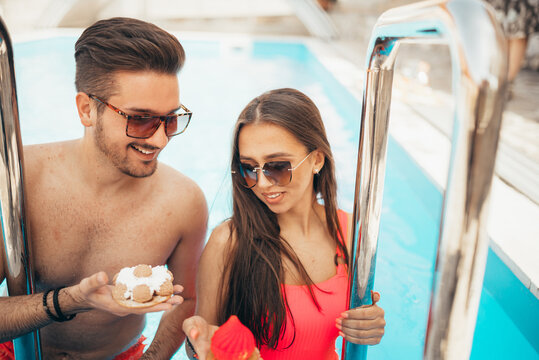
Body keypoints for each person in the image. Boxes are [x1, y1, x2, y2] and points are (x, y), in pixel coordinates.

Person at [0, 17, 207, 359]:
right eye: (140, 119)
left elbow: (185, 299)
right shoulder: (19, 180)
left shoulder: (183, 202)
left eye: (170, 119)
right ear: (86, 110)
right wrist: (68, 301)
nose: (160, 139)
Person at [183, 88, 385, 359]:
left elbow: (358, 320)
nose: (263, 183)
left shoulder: (350, 234)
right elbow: (204, 340)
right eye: (249, 168)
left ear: (316, 159)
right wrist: (197, 345)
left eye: (277, 166)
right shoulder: (229, 241)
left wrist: (369, 325)